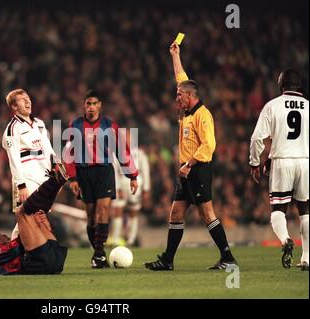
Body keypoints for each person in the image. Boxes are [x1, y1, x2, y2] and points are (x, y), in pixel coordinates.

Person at [145, 42, 237, 271]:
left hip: (197, 169)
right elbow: (180, 78)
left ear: (189, 96)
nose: (176, 98)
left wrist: (189, 164)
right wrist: (175, 55)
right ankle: (167, 260)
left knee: (207, 214)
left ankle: (228, 257)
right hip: (186, 170)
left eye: (179, 95)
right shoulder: (187, 110)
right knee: (175, 213)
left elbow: (210, 145)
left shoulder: (202, 116)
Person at [65, 90, 138, 268]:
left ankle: (98, 255)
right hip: (84, 174)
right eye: (88, 103)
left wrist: (132, 176)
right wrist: (72, 179)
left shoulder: (109, 125)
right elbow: (68, 153)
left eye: (94, 104)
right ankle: (99, 253)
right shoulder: (75, 125)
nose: (91, 107)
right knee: (90, 216)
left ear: (100, 105)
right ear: (84, 105)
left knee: (103, 210)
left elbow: (122, 150)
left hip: (104, 171)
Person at [249, 69, 308, 271]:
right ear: (299, 85)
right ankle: (307, 257)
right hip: (305, 161)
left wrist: (255, 162)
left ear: (281, 85)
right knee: (305, 211)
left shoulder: (272, 106)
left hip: (282, 161)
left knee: (278, 209)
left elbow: (257, 138)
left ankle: (285, 240)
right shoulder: (309, 107)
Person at [0, 162, 68, 275]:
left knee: (37, 214)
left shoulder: (7, 257)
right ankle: (55, 181)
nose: (4, 235)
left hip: (55, 260)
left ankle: (58, 181)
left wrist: (41, 225)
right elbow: (16, 248)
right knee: (21, 213)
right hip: (42, 262)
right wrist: (22, 235)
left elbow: (19, 249)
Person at [2, 89, 56, 240]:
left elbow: (48, 149)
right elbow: (13, 159)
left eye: (28, 98)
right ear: (14, 107)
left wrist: (56, 168)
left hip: (44, 179)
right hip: (27, 179)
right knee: (26, 219)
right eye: (21, 100)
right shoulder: (12, 129)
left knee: (38, 219)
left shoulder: (39, 123)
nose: (27, 101)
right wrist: (21, 185)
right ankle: (11, 256)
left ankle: (26, 256)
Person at [109, 136, 151, 247]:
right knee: (117, 210)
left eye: (128, 136)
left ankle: (131, 240)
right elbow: (114, 170)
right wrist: (116, 188)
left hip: (136, 182)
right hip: (122, 183)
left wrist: (146, 189)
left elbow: (145, 170)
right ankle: (115, 239)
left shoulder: (140, 153)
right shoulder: (116, 153)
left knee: (133, 211)